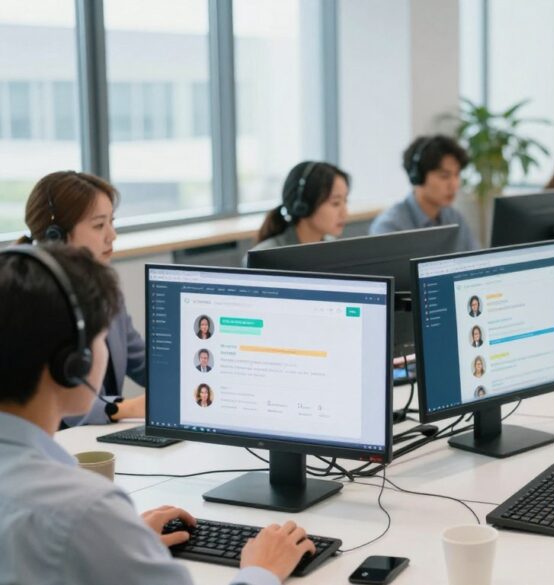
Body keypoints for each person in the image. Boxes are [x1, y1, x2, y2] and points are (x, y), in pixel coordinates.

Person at [0, 244, 315, 585]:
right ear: (74, 362)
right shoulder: (85, 510)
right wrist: (262, 570)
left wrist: (120, 545)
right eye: (102, 337)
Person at [18, 170, 145, 425]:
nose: (112, 235)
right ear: (56, 237)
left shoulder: (105, 290)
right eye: (99, 225)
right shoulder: (31, 301)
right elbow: (60, 397)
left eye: (111, 222)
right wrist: (126, 408)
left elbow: (142, 361)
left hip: (99, 436)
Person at [368, 135, 479, 252]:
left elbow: (475, 258)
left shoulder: (454, 218)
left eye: (457, 175)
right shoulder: (389, 227)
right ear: (418, 177)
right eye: (444, 176)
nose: (454, 185)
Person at [249, 161, 350, 253]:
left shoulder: (333, 248)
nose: (345, 214)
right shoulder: (266, 256)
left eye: (345, 201)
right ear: (303, 205)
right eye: (335, 203)